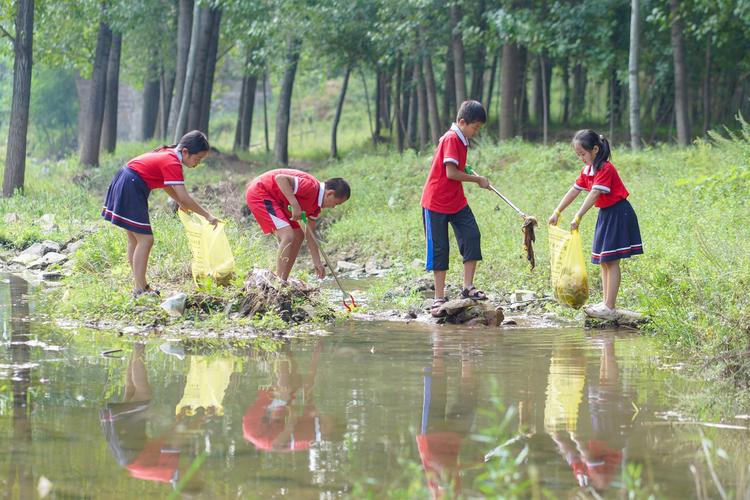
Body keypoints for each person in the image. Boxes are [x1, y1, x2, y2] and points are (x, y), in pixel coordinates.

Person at [101, 130, 219, 297]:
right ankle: (141, 289)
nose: (197, 163)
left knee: (135, 240)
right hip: (132, 185)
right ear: (185, 151)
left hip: (126, 179)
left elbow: (165, 184)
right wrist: (207, 215)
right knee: (146, 240)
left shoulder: (169, 154)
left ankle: (139, 286)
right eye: (197, 159)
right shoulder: (172, 162)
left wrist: (179, 202)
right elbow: (185, 197)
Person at [548, 130, 643, 320]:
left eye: (583, 154)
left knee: (612, 260)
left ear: (595, 150)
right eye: (578, 155)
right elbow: (574, 191)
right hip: (606, 215)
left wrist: (578, 216)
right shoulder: (587, 170)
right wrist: (557, 211)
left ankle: (610, 305)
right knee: (603, 259)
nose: (581, 158)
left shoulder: (605, 169)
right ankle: (605, 302)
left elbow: (594, 194)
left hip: (618, 213)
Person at [421, 100, 491, 318]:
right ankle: (439, 297)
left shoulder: (460, 139)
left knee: (471, 235)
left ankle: (468, 286)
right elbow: (451, 173)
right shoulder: (452, 138)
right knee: (440, 248)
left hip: (456, 201)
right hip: (436, 202)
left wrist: (467, 169)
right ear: (462, 122)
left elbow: (455, 166)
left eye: (479, 128)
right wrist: (477, 179)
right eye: (475, 127)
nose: (476, 132)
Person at [245, 169, 350, 281]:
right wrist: (295, 205)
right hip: (260, 192)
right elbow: (280, 178)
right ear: (330, 193)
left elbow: (310, 234)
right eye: (336, 203)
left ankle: (283, 279)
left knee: (299, 236)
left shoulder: (316, 208)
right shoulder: (311, 187)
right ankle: (278, 283)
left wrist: (317, 262)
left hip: (278, 202)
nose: (334, 207)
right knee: (288, 235)